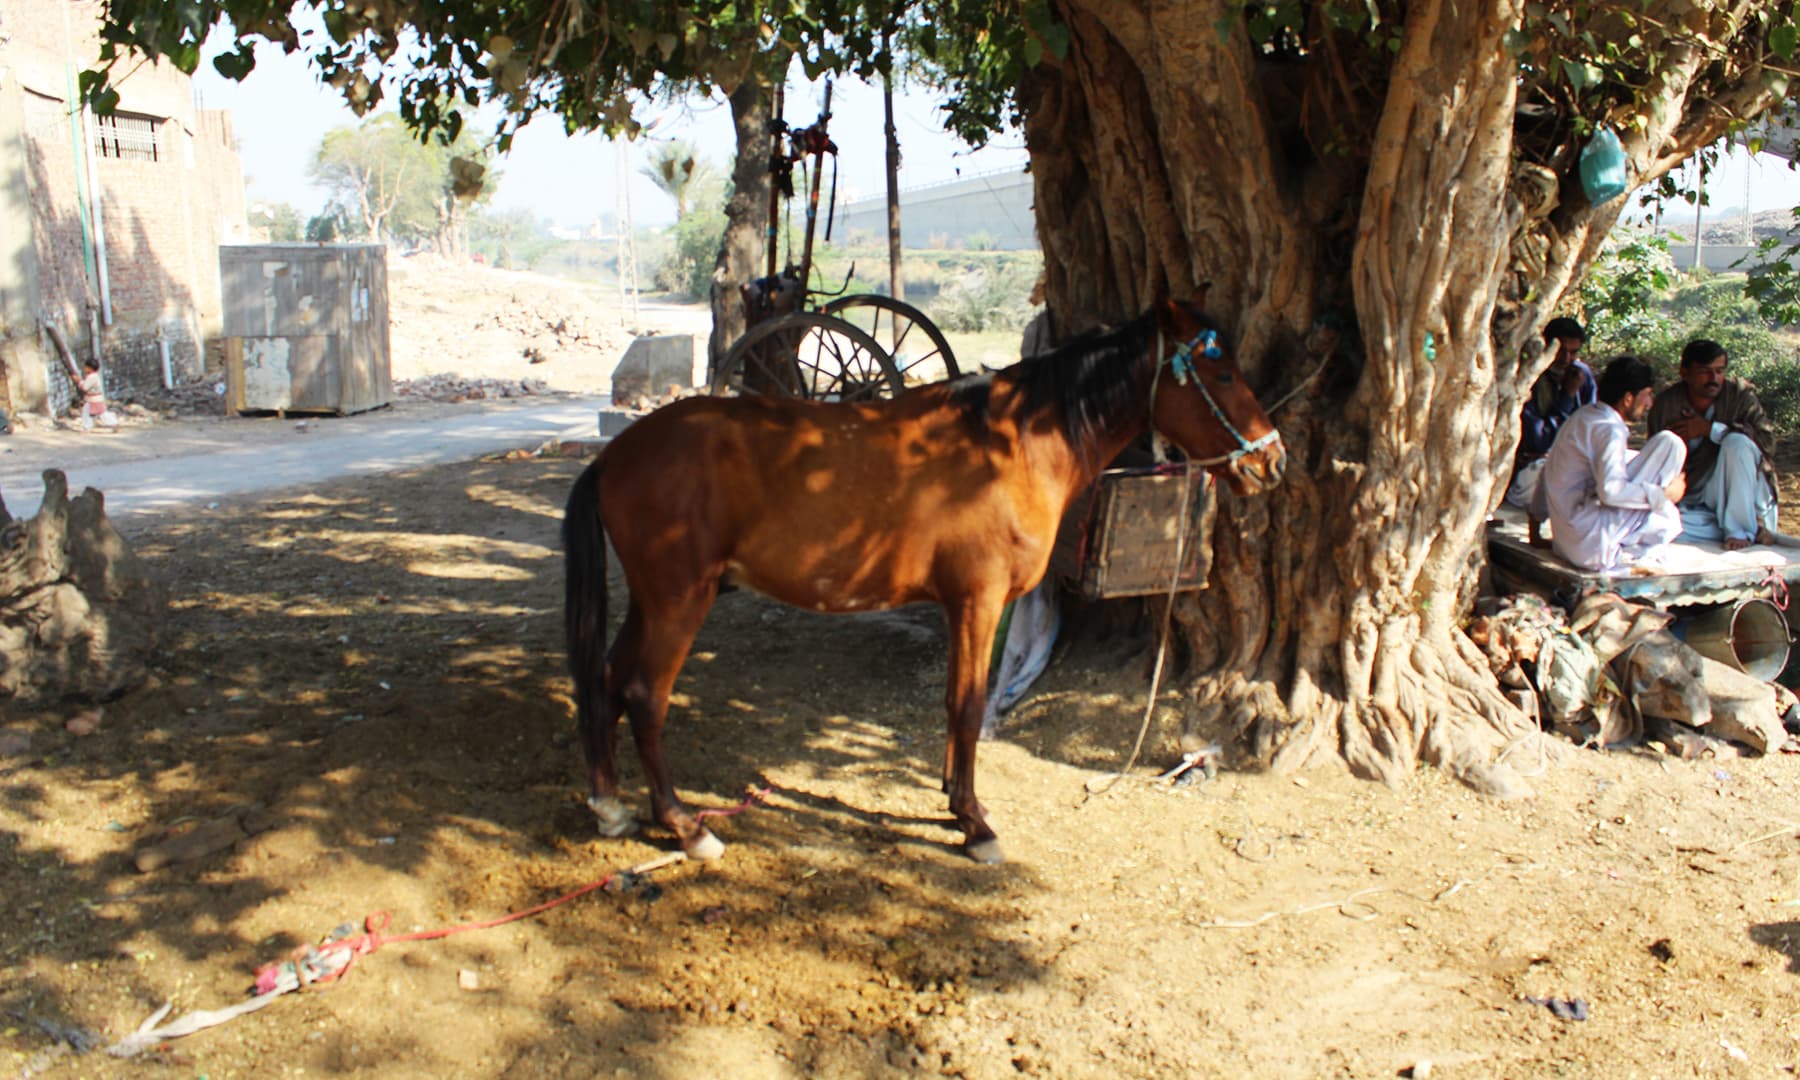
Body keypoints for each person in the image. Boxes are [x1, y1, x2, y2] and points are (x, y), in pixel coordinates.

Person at [1539, 354, 1687, 572]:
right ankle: (1627, 548)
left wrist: (1536, 526)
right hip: (1593, 547)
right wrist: (1663, 495)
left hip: (1568, 542)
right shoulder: (1610, 429)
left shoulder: (1583, 416)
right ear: (1628, 398)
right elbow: (1611, 491)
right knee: (1671, 445)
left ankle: (1633, 541)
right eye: (1646, 396)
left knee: (1647, 453)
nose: (1650, 403)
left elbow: (1549, 470)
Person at [1646, 339, 1778, 550]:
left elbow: (1766, 442)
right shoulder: (1666, 405)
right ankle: (1744, 530)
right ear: (1685, 372)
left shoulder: (1739, 396)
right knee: (1652, 527)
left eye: (1719, 371)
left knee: (1737, 443)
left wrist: (1711, 430)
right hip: (1692, 496)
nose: (1713, 379)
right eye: (1705, 372)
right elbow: (1656, 458)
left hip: (1742, 492)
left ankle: (1740, 530)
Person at [1506, 316, 1596, 509]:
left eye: (1573, 353)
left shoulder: (1582, 375)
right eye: (1560, 351)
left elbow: (1592, 426)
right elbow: (1540, 440)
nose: (1566, 359)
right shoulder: (1531, 379)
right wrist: (1567, 395)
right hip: (1534, 466)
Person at [76, 359, 118, 432]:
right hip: (93, 399)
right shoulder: (93, 376)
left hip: (94, 400)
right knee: (89, 412)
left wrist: (79, 381)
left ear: (90, 368)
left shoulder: (92, 377)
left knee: (101, 414)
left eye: (86, 367)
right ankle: (87, 427)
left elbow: (85, 387)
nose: (84, 369)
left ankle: (113, 423)